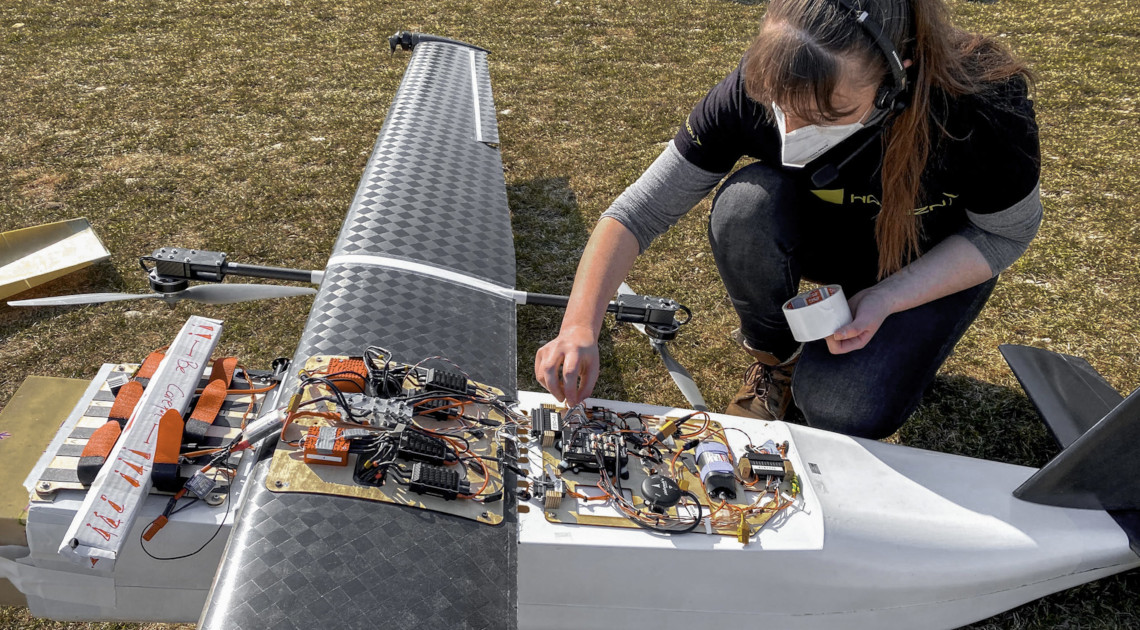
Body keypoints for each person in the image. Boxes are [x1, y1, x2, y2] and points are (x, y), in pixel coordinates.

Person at [534, 0, 1042, 439]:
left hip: (930, 265)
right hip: (830, 238)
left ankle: (875, 350)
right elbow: (639, 210)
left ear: (896, 80)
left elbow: (1004, 233)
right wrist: (580, 325)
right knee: (744, 207)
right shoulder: (758, 85)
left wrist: (889, 297)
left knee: (841, 407)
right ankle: (776, 360)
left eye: (831, 112)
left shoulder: (983, 110)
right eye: (781, 104)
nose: (793, 128)